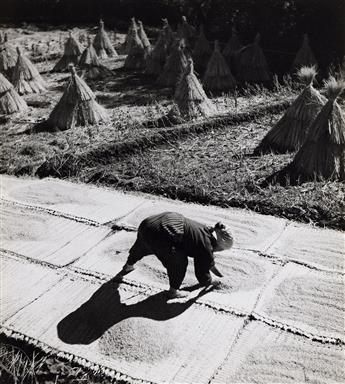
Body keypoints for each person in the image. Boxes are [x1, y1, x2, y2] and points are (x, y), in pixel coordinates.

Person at [115, 211, 233, 299]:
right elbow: (202, 270)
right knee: (178, 262)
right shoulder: (206, 247)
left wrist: (221, 276)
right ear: (218, 244)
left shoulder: (204, 229)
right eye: (221, 250)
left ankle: (128, 266)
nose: (218, 252)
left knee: (141, 246)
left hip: (150, 223)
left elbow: (209, 262)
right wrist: (210, 281)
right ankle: (173, 292)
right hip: (164, 233)